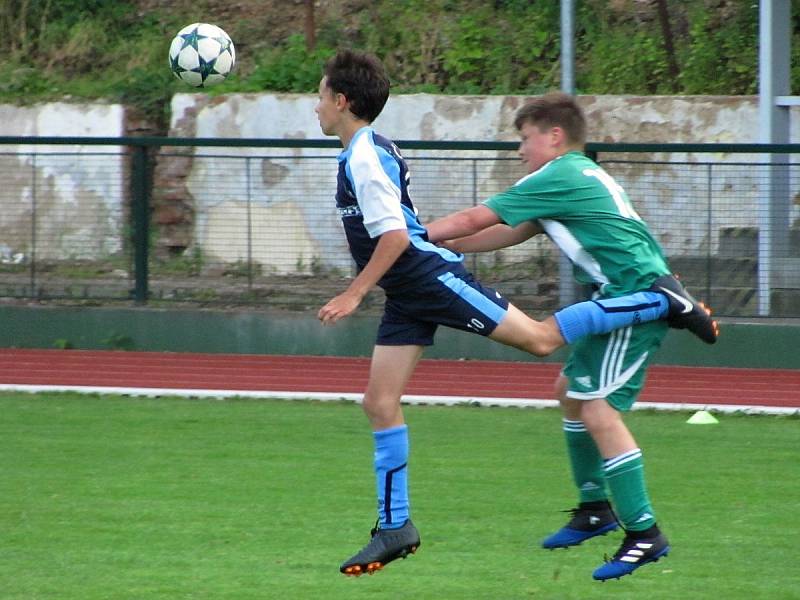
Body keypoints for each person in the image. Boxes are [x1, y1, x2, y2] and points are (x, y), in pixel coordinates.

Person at [314, 50, 716, 578]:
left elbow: (422, 229)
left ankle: (665, 303)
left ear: (341, 101)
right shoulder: (364, 152)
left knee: (545, 344)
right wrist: (422, 240)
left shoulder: (369, 155)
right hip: (411, 284)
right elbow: (501, 231)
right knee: (380, 401)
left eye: (319, 95)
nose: (520, 149)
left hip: (438, 280)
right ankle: (398, 526)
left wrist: (358, 290)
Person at [424, 91, 718, 581]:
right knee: (568, 392)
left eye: (525, 139)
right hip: (618, 292)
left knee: (599, 409)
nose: (520, 151)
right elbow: (508, 231)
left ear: (553, 136)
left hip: (634, 295)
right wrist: (446, 246)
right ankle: (595, 507)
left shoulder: (557, 173)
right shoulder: (574, 175)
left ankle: (644, 533)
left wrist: (413, 233)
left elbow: (478, 217)